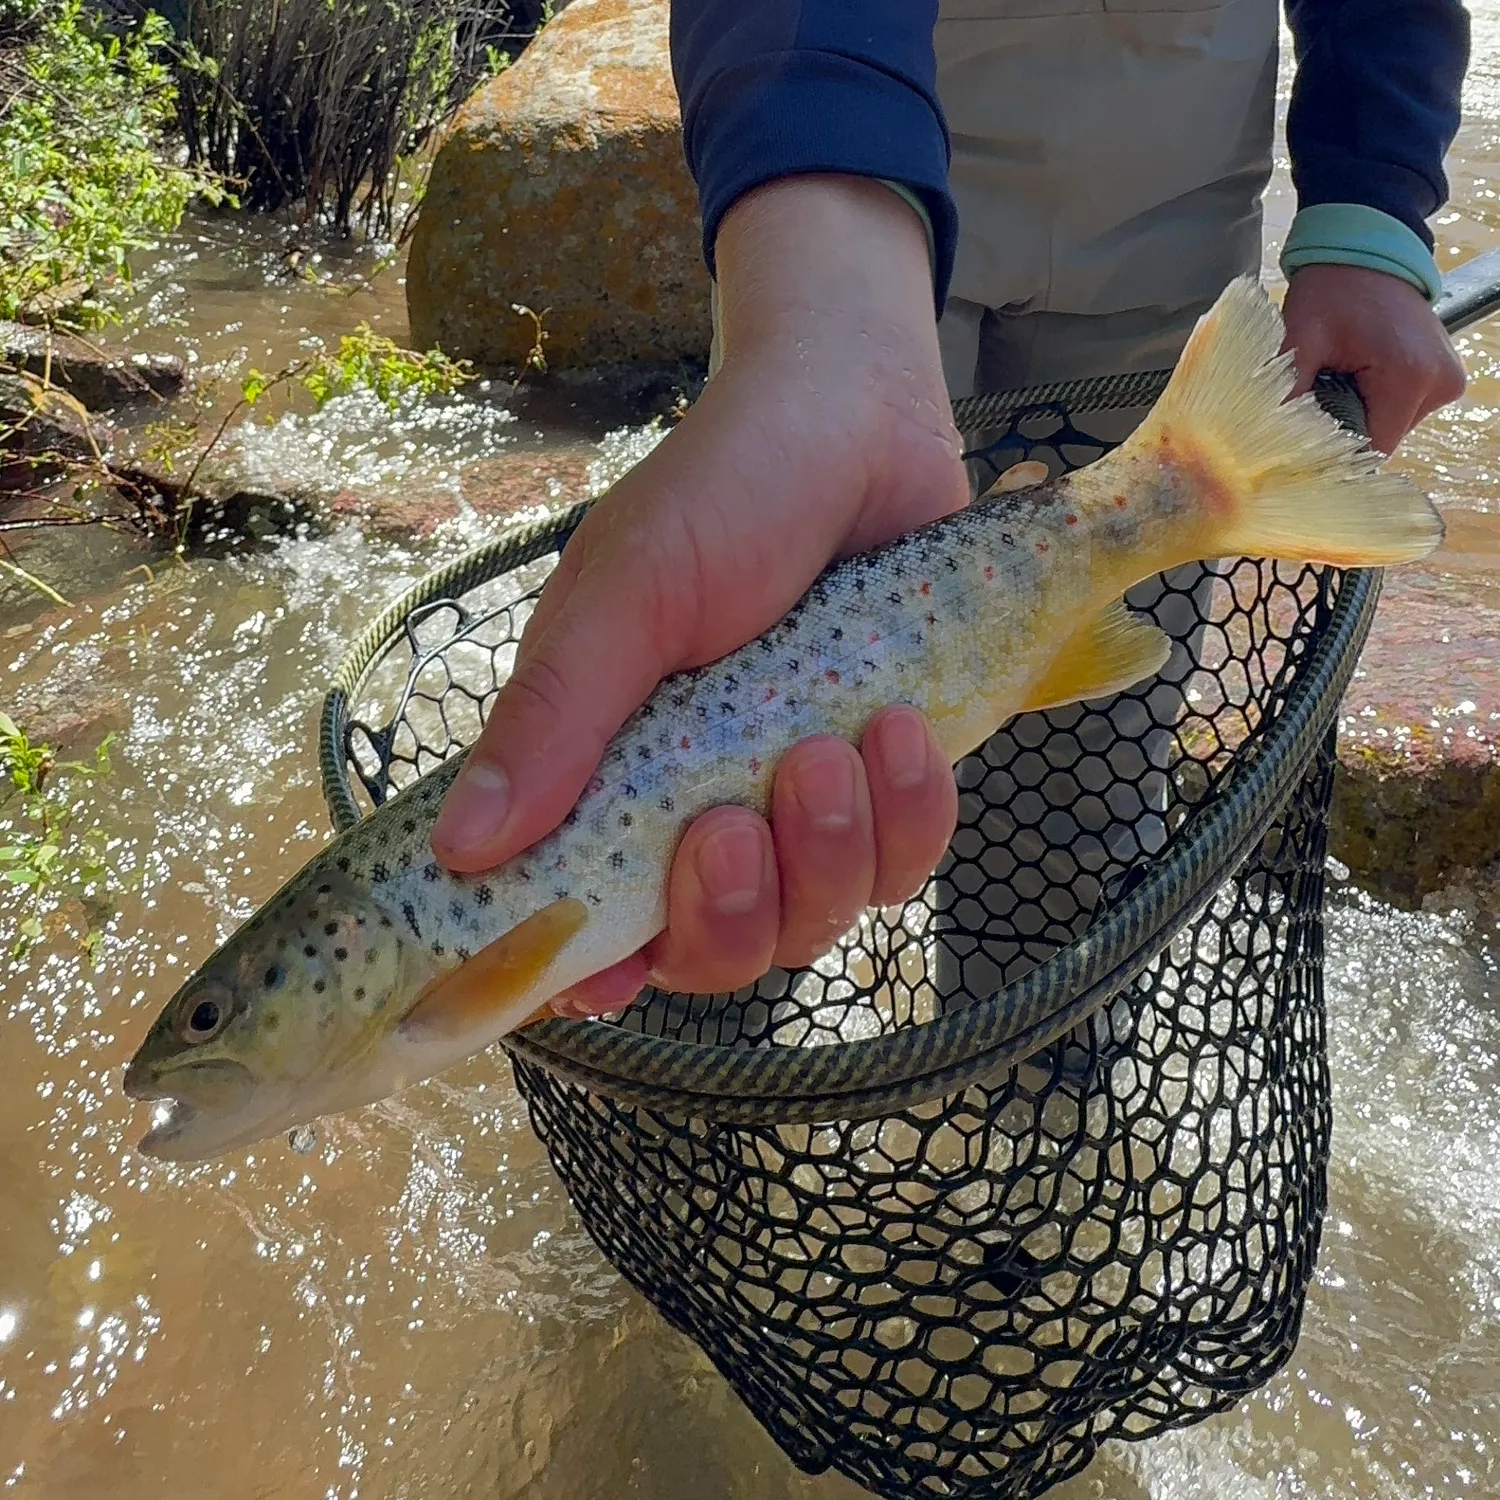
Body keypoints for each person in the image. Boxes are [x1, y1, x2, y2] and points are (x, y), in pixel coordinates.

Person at [430, 0, 1468, 1019]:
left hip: (1181, 196)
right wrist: (825, 299)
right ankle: (717, 1070)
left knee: (1075, 818)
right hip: (867, 169)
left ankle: (1044, 1117)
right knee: (735, 841)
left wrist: (1369, 208)